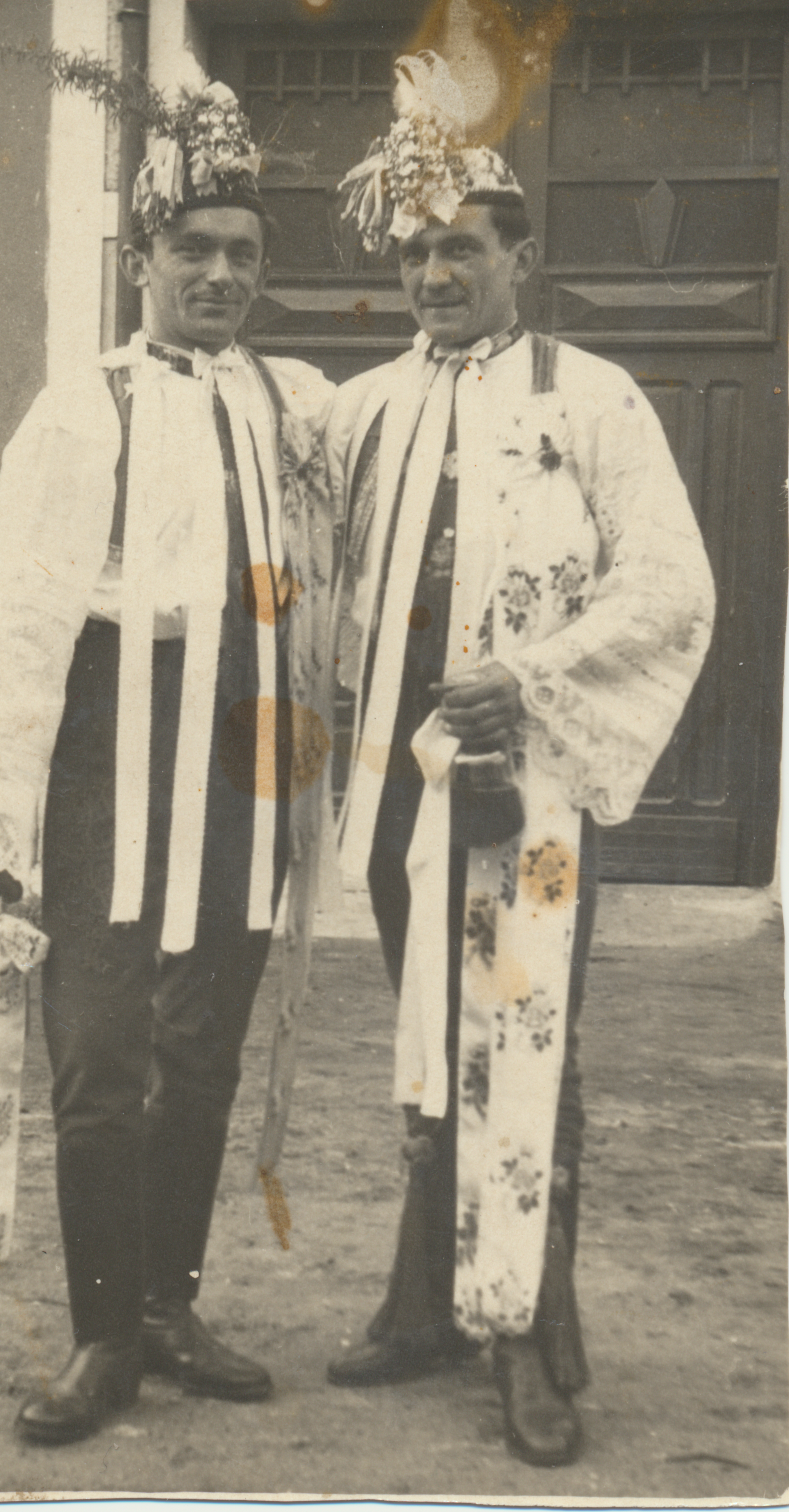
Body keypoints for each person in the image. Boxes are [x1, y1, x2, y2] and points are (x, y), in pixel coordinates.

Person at [0, 56, 335, 1446]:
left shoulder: (291, 406)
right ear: (142, 257)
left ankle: (164, 1306)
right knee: (99, 1047)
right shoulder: (84, 404)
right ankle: (100, 1334)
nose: (219, 274)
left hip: (242, 752)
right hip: (107, 744)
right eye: (193, 248)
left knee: (202, 1041)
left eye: (243, 254)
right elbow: (21, 617)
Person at [324, 52, 715, 1467]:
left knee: (527, 1038)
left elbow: (669, 587)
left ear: (519, 261)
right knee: (433, 1034)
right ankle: (422, 1304)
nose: (436, 276)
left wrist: (527, 675)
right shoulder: (365, 408)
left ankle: (530, 1339)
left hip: (527, 789)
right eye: (417, 253)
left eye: (464, 251)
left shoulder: (592, 398)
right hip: (399, 789)